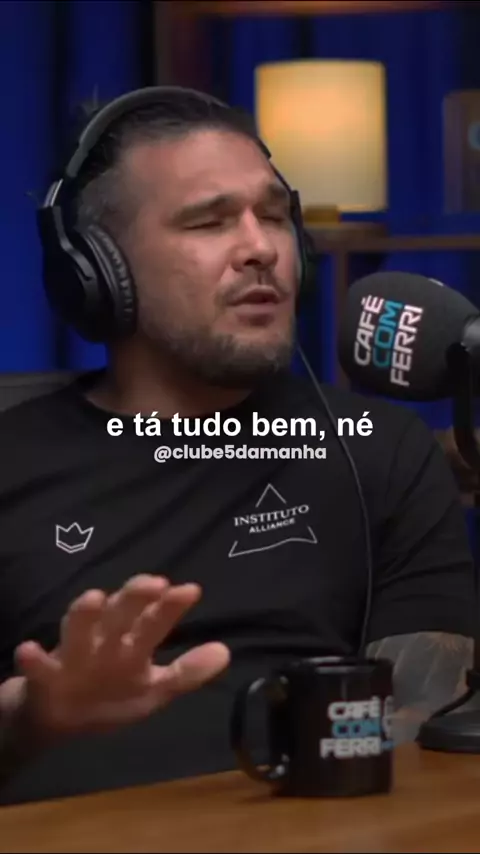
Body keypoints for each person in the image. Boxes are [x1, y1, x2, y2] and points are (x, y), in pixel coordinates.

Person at [0, 86, 475, 804]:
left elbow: (426, 724)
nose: (260, 249)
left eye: (275, 216)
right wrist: (30, 720)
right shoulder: (12, 460)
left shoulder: (378, 451)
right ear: (97, 270)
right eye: (208, 221)